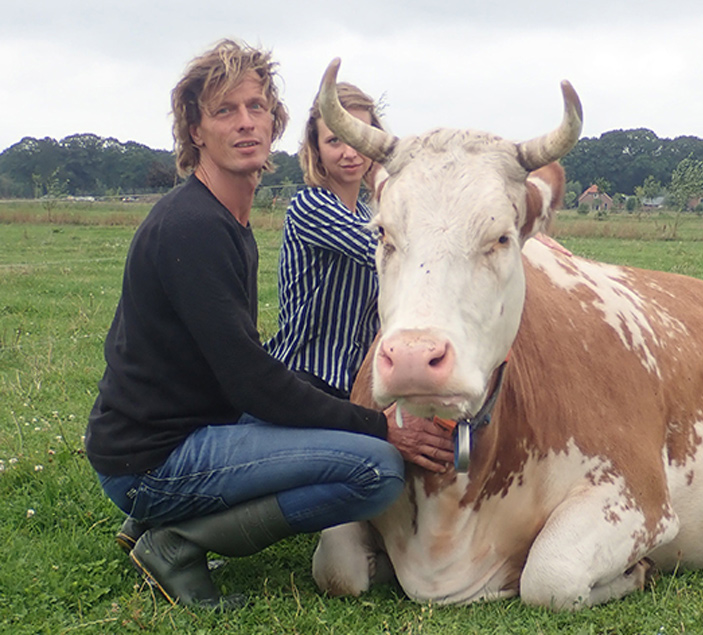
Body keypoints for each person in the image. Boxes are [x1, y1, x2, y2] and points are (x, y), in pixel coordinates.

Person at [84, 39, 454, 609]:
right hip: (154, 458)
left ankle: (154, 522)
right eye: (224, 111)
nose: (246, 123)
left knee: (330, 426)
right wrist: (379, 427)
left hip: (174, 433)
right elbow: (251, 380)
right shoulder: (193, 228)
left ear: (276, 120)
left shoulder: (224, 217)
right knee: (377, 469)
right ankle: (177, 540)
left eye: (257, 107)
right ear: (194, 130)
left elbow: (236, 371)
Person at [264, 82, 384, 399]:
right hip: (306, 381)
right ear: (316, 149)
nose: (350, 152)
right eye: (335, 140)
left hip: (358, 385)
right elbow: (381, 251)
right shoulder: (310, 206)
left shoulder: (366, 214)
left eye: (361, 138)